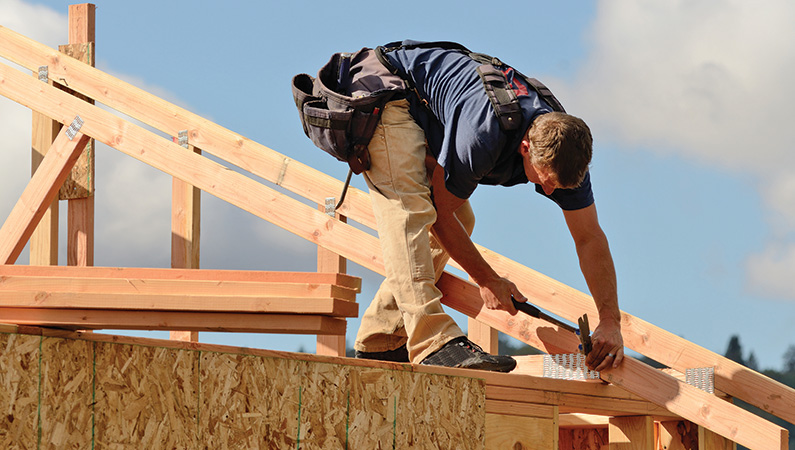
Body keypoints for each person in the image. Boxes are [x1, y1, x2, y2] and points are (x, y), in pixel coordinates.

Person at [352, 41, 624, 373]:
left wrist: (610, 320)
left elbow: (589, 238)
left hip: (424, 114)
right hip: (383, 91)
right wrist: (487, 279)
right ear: (525, 148)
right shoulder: (484, 134)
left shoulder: (566, 155)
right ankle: (432, 342)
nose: (550, 191)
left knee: (461, 220)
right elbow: (438, 213)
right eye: (546, 179)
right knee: (411, 213)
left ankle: (380, 340)